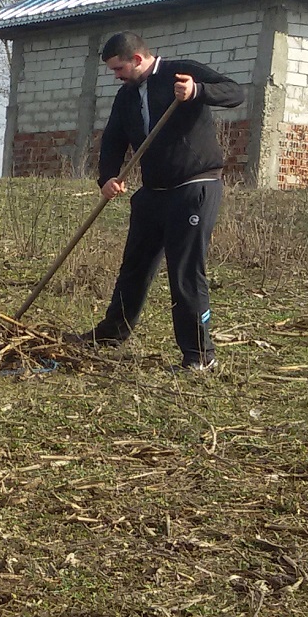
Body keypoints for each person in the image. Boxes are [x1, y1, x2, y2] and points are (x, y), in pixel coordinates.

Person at [69, 31, 244, 370]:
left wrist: (198, 91)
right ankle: (111, 333)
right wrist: (107, 177)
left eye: (119, 69)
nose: (116, 76)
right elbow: (113, 140)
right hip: (153, 193)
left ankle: (198, 356)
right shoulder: (126, 96)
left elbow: (235, 92)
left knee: (184, 273)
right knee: (133, 267)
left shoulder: (181, 72)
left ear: (137, 59)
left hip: (194, 187)